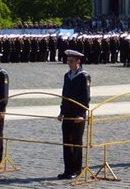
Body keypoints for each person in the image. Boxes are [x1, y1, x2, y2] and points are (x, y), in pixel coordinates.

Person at [58, 49, 90, 179]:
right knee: (67, 142)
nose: (69, 64)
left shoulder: (84, 76)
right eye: (68, 61)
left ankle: (76, 170)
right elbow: (65, 95)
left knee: (76, 142)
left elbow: (86, 97)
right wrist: (61, 112)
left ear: (78, 61)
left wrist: (81, 114)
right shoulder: (67, 75)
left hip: (78, 114)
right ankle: (68, 169)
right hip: (68, 113)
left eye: (71, 61)